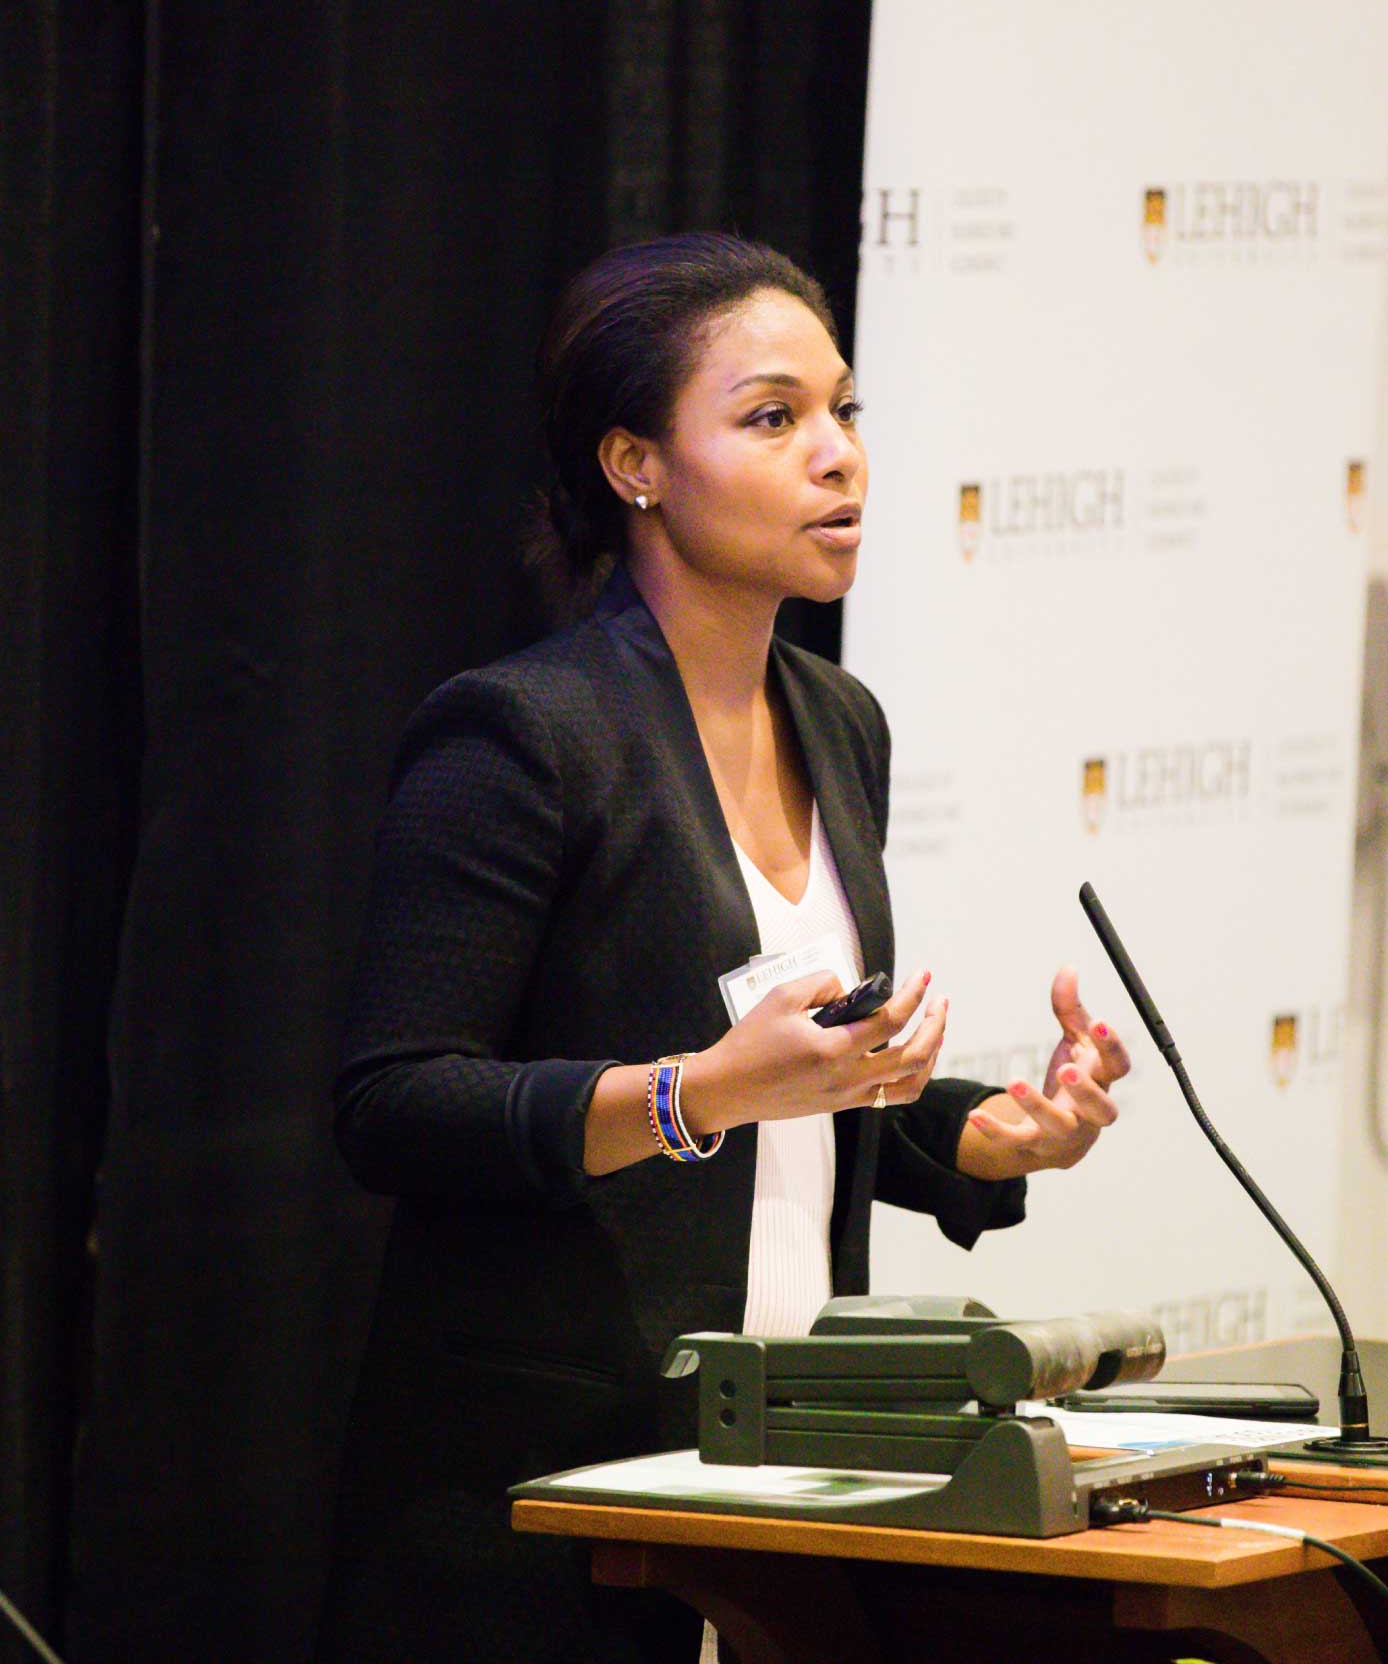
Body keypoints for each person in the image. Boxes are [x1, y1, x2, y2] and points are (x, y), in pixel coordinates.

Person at [315, 234, 1131, 1664]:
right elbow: (396, 1104)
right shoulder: (523, 735)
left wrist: (975, 1138)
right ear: (636, 464)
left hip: (792, 1479)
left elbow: (790, 1086)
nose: (839, 459)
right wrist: (697, 1095)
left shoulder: (836, 719)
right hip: (556, 1493)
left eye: (845, 412)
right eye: (773, 419)